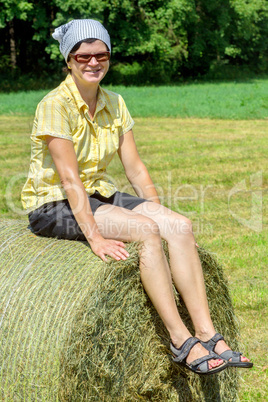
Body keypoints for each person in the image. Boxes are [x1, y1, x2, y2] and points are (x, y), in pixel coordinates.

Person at [21, 19, 252, 375]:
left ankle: (207, 332)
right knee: (144, 230)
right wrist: (94, 237)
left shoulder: (115, 103)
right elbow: (68, 179)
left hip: (99, 192)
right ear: (68, 60)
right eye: (83, 56)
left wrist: (161, 215)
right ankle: (179, 339)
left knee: (178, 226)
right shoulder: (55, 105)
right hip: (54, 204)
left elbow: (136, 168)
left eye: (101, 55)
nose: (93, 62)